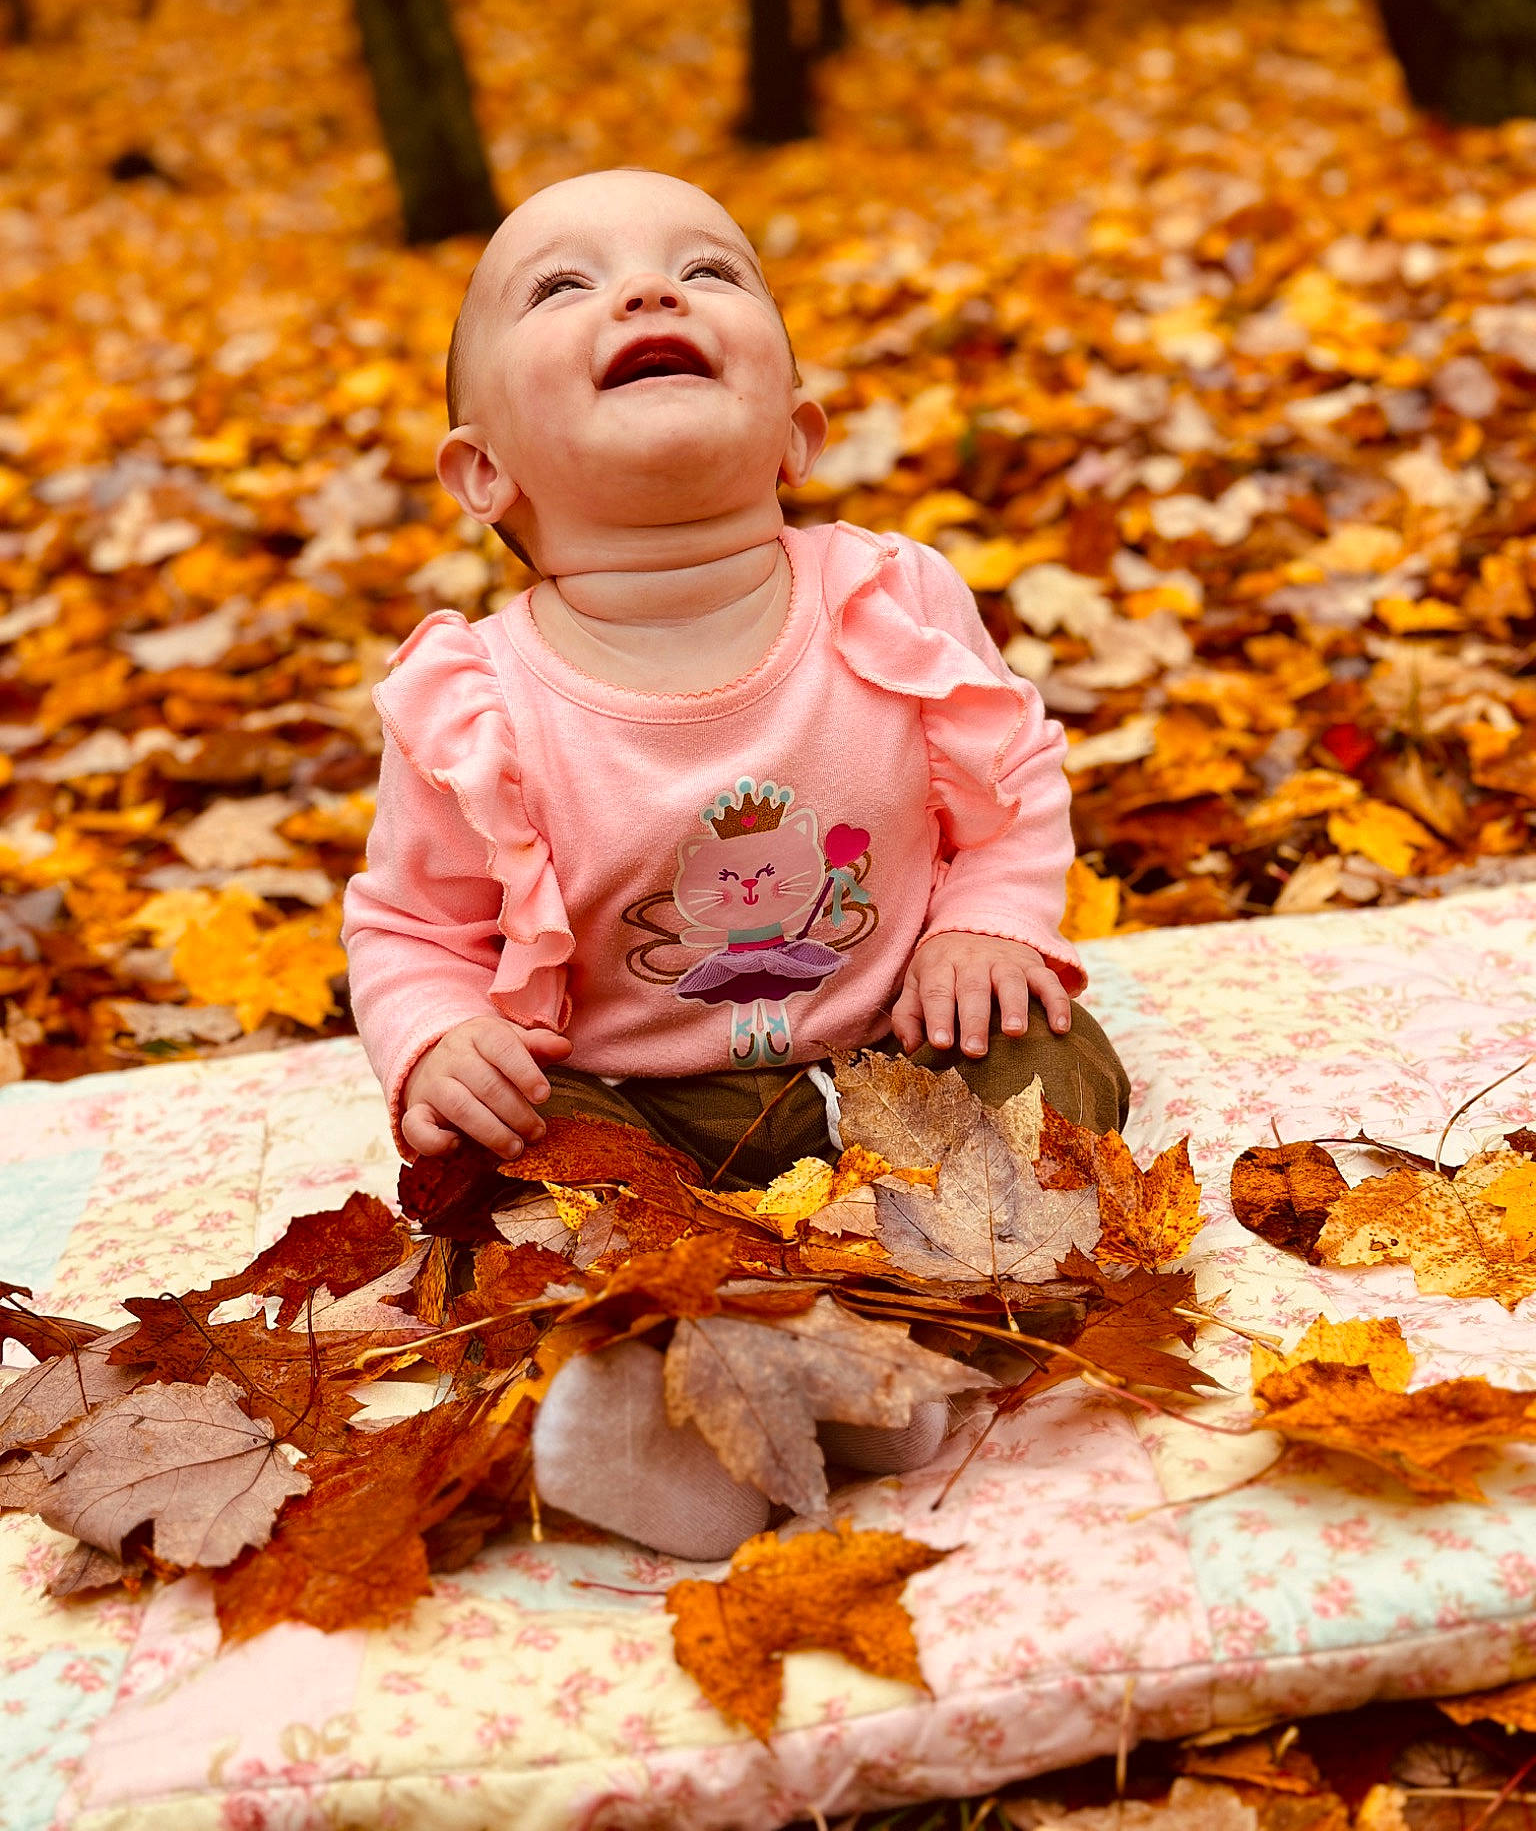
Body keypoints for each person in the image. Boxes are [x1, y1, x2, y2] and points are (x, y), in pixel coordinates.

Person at [342, 168, 1130, 1559]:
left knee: (1057, 1066)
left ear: (796, 432)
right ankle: (673, 1410)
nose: (649, 292)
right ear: (483, 472)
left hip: (902, 1048)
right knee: (514, 1198)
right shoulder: (478, 704)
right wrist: (440, 1041)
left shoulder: (890, 602)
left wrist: (986, 927)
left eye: (708, 272)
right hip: (635, 1105)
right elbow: (408, 928)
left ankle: (913, 1337)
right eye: (564, 286)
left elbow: (1008, 799)